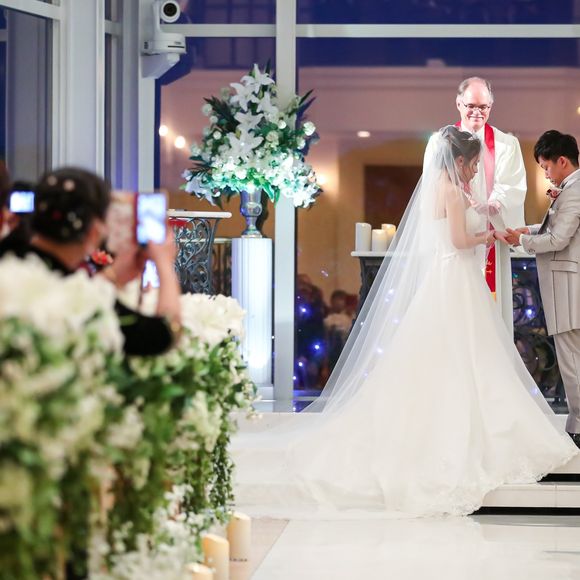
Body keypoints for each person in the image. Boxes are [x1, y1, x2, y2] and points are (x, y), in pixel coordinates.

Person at [233, 126, 577, 518]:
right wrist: (487, 237)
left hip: (453, 278)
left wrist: (489, 226)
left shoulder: (448, 188)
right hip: (454, 277)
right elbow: (457, 241)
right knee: (463, 352)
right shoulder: (451, 190)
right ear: (459, 161)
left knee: (461, 354)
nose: (475, 171)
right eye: (473, 164)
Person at [1, 167, 181, 356]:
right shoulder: (80, 301)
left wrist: (114, 275)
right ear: (94, 232)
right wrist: (164, 263)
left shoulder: (10, 264)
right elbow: (162, 334)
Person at [424, 77, 526, 336]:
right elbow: (431, 190)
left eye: (483, 107)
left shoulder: (507, 144)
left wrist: (493, 204)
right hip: (454, 247)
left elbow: (513, 185)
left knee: (487, 323)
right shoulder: (439, 143)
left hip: (491, 242)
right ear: (458, 103)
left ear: (491, 106)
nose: (477, 112)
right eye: (471, 105)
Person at [499, 130, 580, 447]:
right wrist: (529, 230)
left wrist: (522, 240)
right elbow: (558, 228)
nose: (545, 173)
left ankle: (578, 427)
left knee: (572, 363)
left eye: (546, 166)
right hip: (567, 285)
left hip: (567, 287)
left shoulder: (574, 190)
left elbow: (558, 240)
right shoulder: (570, 188)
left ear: (562, 161)